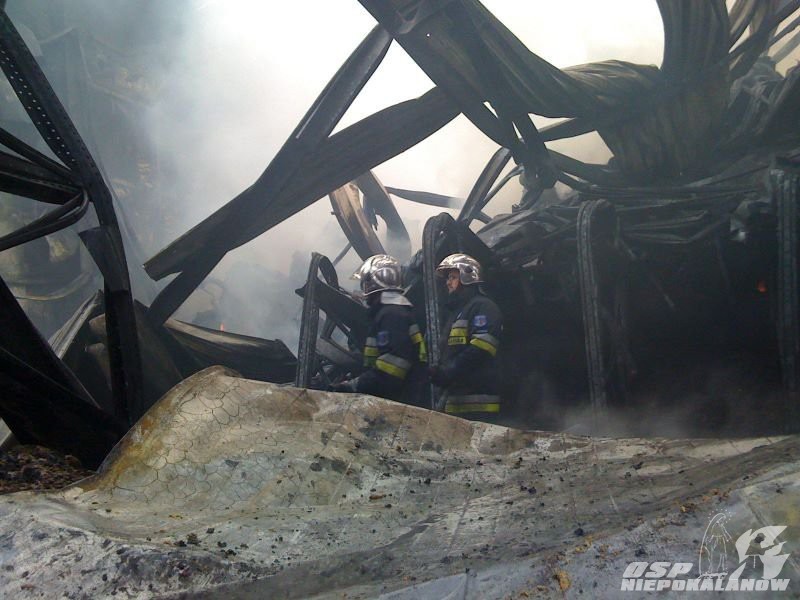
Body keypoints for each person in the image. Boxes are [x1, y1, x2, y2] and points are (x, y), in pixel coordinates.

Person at [330, 254, 427, 401]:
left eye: (366, 283)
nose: (363, 289)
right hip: (398, 396)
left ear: (374, 283)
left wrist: (354, 385)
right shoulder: (391, 312)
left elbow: (392, 368)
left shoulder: (392, 315)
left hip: (398, 399)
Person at [430, 253, 503, 419]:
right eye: (448, 278)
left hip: (479, 404)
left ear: (467, 277)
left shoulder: (483, 307)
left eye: (453, 277)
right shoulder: (458, 311)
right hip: (457, 403)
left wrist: (448, 372)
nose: (448, 282)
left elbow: (481, 349)